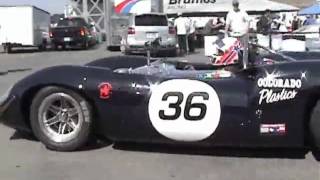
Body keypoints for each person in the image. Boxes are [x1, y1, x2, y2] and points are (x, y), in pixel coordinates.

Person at [225, 0, 250, 68]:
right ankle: (235, 64)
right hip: (234, 34)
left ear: (238, 5)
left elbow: (248, 20)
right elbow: (227, 23)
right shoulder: (230, 13)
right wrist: (225, 32)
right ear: (233, 6)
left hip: (243, 33)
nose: (235, 6)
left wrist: (247, 30)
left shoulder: (243, 12)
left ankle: (245, 64)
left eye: (236, 5)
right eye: (234, 5)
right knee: (234, 50)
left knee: (245, 49)